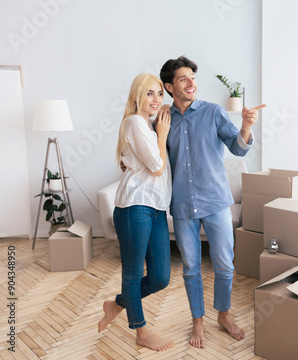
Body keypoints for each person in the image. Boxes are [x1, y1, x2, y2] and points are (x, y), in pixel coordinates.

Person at [159, 55, 265, 348]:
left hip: (216, 200)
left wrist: (245, 125)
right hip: (182, 205)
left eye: (193, 77)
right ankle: (197, 321)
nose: (192, 82)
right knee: (191, 267)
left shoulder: (214, 112)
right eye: (183, 78)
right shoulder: (163, 120)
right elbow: (156, 158)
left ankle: (224, 314)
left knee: (224, 264)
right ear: (169, 86)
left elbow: (239, 148)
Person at [97, 73, 174, 352]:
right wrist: (162, 136)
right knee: (132, 274)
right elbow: (156, 167)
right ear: (137, 97)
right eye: (150, 93)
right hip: (134, 208)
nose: (156, 100)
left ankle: (116, 303)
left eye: (159, 94)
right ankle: (140, 332)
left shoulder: (151, 127)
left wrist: (161, 130)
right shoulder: (135, 123)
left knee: (160, 277)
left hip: (155, 209)